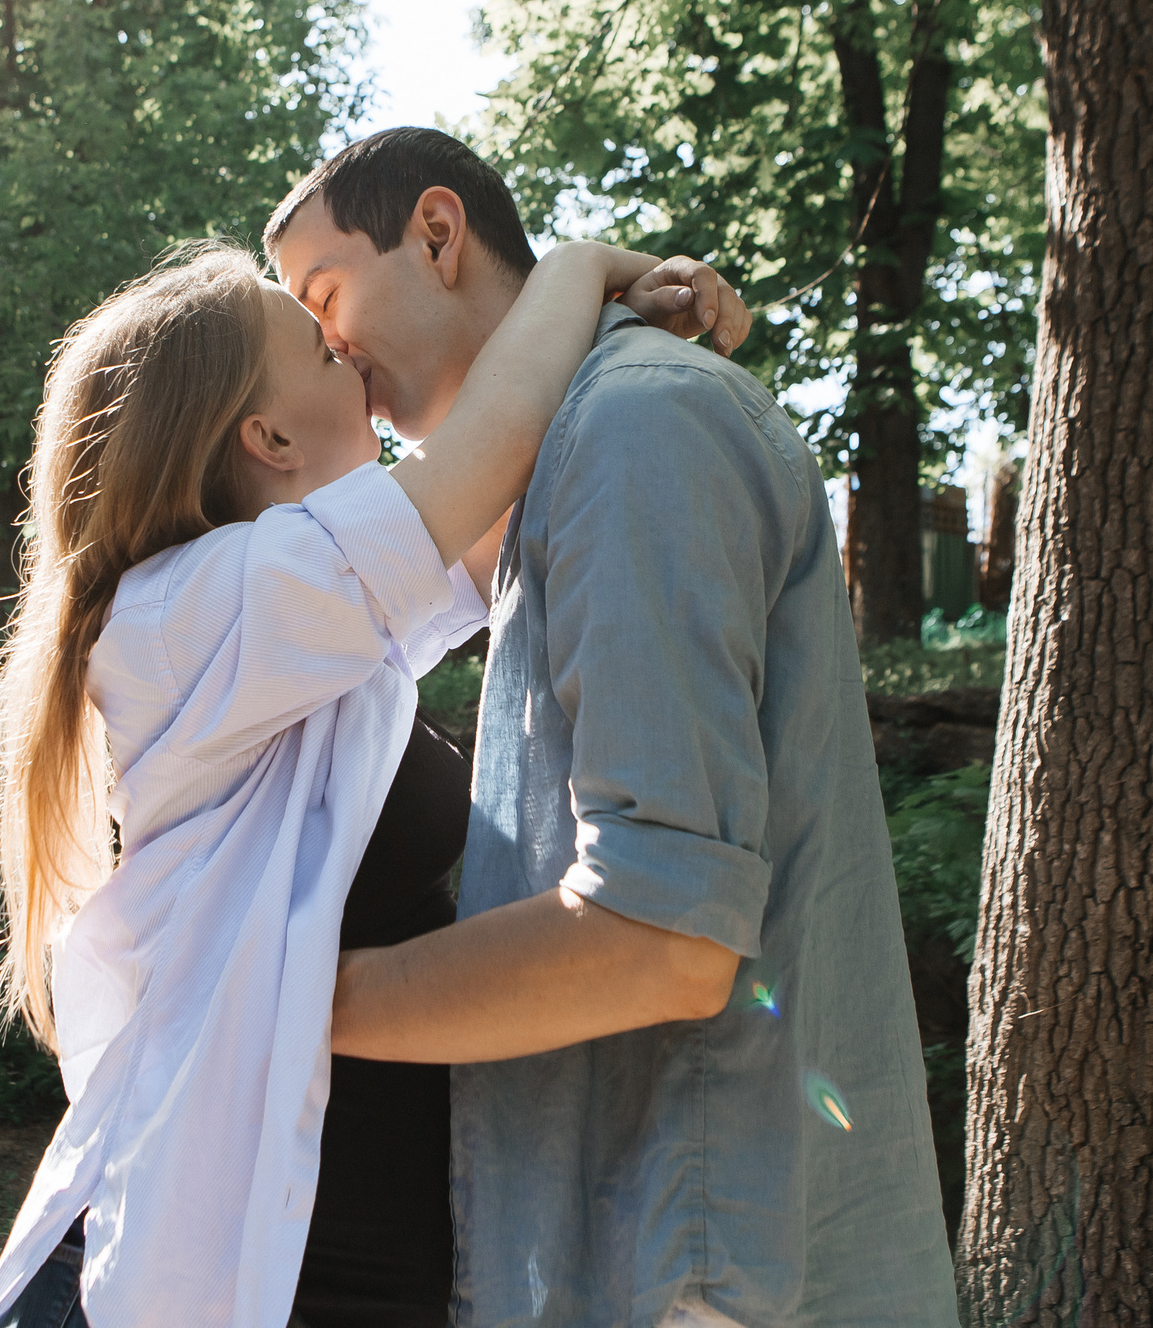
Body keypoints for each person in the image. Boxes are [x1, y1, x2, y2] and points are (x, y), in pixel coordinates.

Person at [0, 235, 746, 1328]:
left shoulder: (304, 638)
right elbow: (481, 458)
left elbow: (509, 517)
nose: (350, 354)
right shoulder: (184, 614)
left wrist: (623, 353)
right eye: (322, 351)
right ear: (269, 434)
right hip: (182, 1279)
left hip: (329, 1271)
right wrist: (580, 271)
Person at [267, 126, 959, 1328]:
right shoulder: (581, 455)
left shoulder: (638, 432)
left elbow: (662, 940)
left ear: (436, 233)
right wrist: (599, 272)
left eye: (323, 297)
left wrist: (269, 1006)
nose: (323, 348)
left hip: (695, 1268)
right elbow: (418, 542)